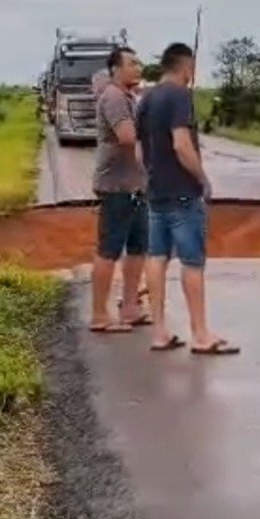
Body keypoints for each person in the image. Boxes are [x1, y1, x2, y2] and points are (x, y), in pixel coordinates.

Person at [136, 42, 240, 356]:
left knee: (156, 258)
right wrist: (202, 178)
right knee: (192, 262)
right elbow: (182, 144)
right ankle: (200, 333)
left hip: (156, 191)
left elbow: (140, 151)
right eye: (192, 69)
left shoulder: (146, 98)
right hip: (183, 191)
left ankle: (159, 332)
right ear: (184, 67)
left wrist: (152, 176)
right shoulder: (180, 96)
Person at [89, 47, 151, 333]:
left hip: (135, 185)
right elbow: (127, 137)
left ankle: (130, 307)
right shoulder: (114, 97)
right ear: (116, 69)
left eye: (139, 63)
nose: (138, 68)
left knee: (137, 248)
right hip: (116, 187)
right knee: (109, 250)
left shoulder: (130, 97)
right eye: (132, 63)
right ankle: (99, 315)